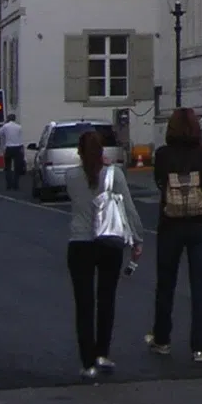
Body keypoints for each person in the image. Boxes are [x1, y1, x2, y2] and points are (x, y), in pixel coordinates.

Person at [64, 130, 143, 382]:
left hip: (79, 243)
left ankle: (87, 362)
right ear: (102, 152)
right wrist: (137, 239)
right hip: (109, 242)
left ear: (79, 152)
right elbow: (128, 208)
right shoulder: (114, 175)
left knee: (84, 303)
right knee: (106, 298)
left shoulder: (71, 176)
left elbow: (79, 196)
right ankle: (102, 353)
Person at [147, 107, 202, 363]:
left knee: (166, 284)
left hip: (171, 223)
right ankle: (199, 346)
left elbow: (159, 183)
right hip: (201, 223)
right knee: (200, 285)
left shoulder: (163, 155)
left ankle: (162, 338)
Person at [0, 114, 25, 191]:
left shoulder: (5, 126)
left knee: (8, 167)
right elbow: (20, 138)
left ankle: (9, 185)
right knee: (17, 167)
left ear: (8, 119)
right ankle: (16, 184)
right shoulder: (19, 127)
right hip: (18, 147)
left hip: (8, 147)